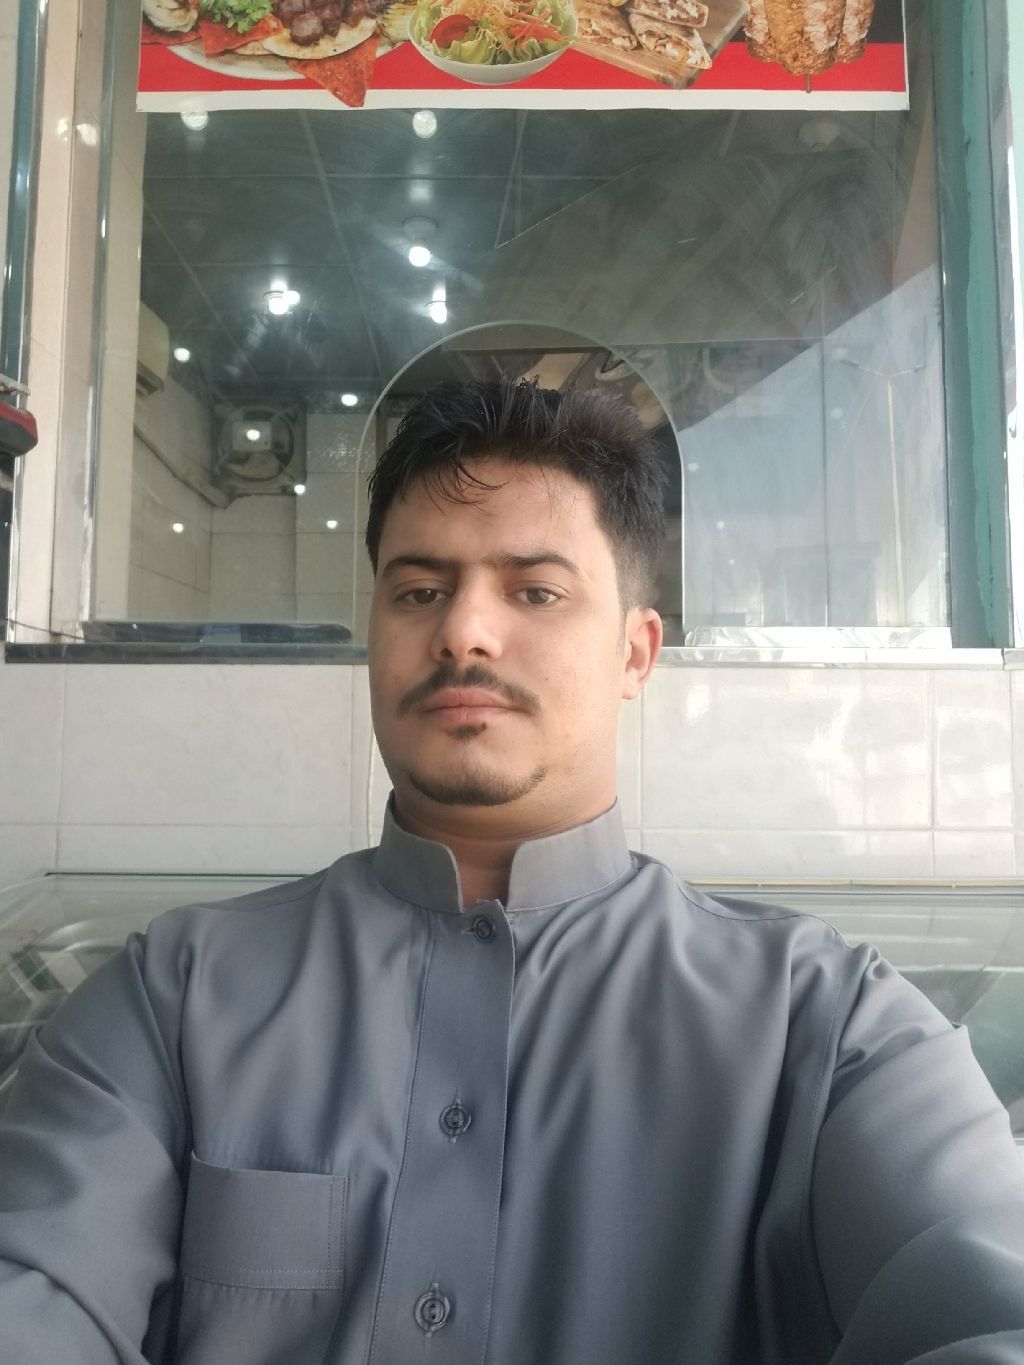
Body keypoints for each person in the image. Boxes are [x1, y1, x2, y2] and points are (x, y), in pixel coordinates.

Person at [0, 377, 1022, 1365]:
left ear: (636, 652)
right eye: (419, 591)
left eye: (535, 590)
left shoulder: (830, 1027)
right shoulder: (169, 999)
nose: (463, 631)